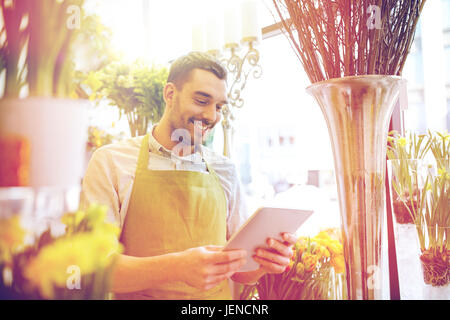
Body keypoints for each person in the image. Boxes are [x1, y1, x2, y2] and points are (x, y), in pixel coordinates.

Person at [80, 51, 296, 300]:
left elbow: (239, 271)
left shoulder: (225, 169)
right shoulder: (111, 162)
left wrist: (264, 263)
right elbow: (95, 268)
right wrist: (177, 267)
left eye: (218, 107)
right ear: (170, 94)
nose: (211, 116)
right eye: (202, 101)